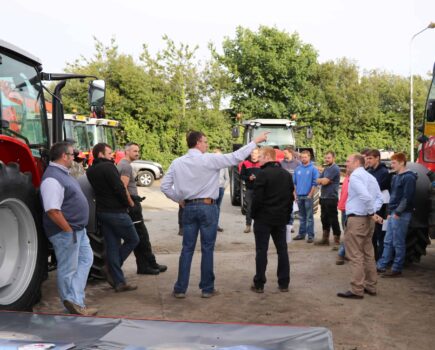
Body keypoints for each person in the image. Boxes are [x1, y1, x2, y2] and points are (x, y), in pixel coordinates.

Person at [161, 130, 268, 299]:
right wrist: (255, 141)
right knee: (207, 248)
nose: (207, 144)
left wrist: (179, 200)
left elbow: (165, 186)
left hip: (188, 207)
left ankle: (180, 288)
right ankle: (207, 288)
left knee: (187, 248)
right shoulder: (210, 159)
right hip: (207, 207)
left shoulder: (177, 162)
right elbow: (235, 157)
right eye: (205, 141)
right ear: (197, 142)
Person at [40, 142, 97, 316]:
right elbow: (52, 210)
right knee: (68, 268)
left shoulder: (63, 174)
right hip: (66, 231)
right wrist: (67, 230)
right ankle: (72, 304)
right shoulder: (52, 179)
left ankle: (75, 300)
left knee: (86, 259)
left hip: (78, 230)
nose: (74, 157)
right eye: (72, 155)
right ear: (64, 156)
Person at [86, 142, 139, 292]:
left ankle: (119, 282)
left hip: (102, 212)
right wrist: (129, 204)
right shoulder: (108, 167)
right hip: (116, 211)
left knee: (113, 245)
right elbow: (119, 187)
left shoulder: (91, 170)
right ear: (101, 154)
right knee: (133, 239)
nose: (112, 156)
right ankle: (110, 268)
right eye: (109, 153)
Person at [337, 154, 383, 299]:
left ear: (357, 162)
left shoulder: (356, 177)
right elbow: (379, 198)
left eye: (348, 161)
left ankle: (357, 289)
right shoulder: (370, 177)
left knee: (355, 255)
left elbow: (366, 197)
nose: (346, 164)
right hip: (367, 221)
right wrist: (372, 213)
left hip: (358, 220)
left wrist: (370, 213)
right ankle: (371, 286)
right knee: (368, 254)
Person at [117, 142, 168, 275]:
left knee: (141, 235)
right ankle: (145, 266)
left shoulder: (123, 165)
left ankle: (150, 263)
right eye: (134, 151)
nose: (137, 153)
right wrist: (131, 203)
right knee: (141, 236)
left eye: (138, 151)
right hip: (132, 204)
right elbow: (123, 187)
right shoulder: (125, 166)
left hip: (132, 203)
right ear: (127, 152)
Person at [250, 147, 293, 293]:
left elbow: (257, 199)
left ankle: (259, 283)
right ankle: (284, 283)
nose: (258, 159)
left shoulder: (262, 174)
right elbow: (290, 199)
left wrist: (253, 215)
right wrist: (287, 217)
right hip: (280, 218)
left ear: (268, 157)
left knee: (262, 251)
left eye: (261, 156)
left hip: (264, 218)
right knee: (282, 250)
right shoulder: (286, 175)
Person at [377, 153, 417, 277]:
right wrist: (389, 212)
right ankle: (382, 265)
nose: (391, 165)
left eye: (394, 162)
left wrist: (398, 213)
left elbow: (407, 198)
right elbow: (392, 196)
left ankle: (396, 268)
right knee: (388, 240)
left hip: (401, 214)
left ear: (401, 162)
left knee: (398, 242)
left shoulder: (409, 177)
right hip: (393, 213)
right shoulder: (395, 177)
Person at [365, 149, 391, 260]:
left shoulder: (384, 172)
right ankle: (374, 259)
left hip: (383, 208)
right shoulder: (369, 172)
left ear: (377, 158)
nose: (368, 160)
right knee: (372, 236)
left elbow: (376, 189)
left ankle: (382, 260)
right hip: (372, 207)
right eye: (367, 158)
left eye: (370, 158)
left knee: (381, 235)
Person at [315, 151, 341, 247]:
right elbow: (317, 180)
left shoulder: (335, 168)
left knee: (333, 219)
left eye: (329, 158)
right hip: (324, 197)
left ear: (333, 158)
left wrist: (322, 180)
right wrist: (322, 180)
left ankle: (336, 240)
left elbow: (324, 182)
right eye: (326, 158)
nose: (326, 159)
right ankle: (325, 239)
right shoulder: (326, 168)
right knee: (324, 218)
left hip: (331, 198)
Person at [293, 150, 319, 243]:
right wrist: (295, 194)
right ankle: (301, 234)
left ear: (309, 157)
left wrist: (310, 194)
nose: (303, 159)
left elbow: (314, 183)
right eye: (302, 157)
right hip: (299, 196)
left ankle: (310, 236)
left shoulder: (313, 169)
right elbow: (294, 183)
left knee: (309, 217)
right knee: (301, 217)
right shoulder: (297, 169)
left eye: (305, 157)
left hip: (308, 196)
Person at [240, 148, 261, 233]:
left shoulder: (262, 163)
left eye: (255, 153)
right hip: (249, 189)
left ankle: (258, 226)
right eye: (252, 153)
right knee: (249, 208)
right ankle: (248, 226)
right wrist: (249, 178)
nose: (253, 154)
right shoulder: (245, 163)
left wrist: (258, 178)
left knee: (259, 209)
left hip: (260, 190)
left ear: (258, 154)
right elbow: (241, 176)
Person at [280, 146, 301, 234]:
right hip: (283, 189)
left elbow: (300, 177)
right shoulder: (281, 163)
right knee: (283, 208)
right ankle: (283, 224)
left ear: (290, 153)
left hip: (293, 189)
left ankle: (290, 225)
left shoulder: (297, 163)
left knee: (291, 209)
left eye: (285, 153)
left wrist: (296, 190)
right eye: (283, 153)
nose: (284, 154)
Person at [336, 171, 350, 265]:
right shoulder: (346, 178)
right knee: (346, 231)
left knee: (348, 233)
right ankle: (346, 252)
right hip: (343, 208)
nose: (347, 168)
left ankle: (341, 253)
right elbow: (343, 193)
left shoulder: (355, 178)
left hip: (349, 209)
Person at [214, 148, 230, 232]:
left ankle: (216, 225)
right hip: (212, 189)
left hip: (220, 189)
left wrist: (224, 187)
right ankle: (211, 224)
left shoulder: (224, 165)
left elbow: (227, 178)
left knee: (217, 207)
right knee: (211, 207)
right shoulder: (210, 165)